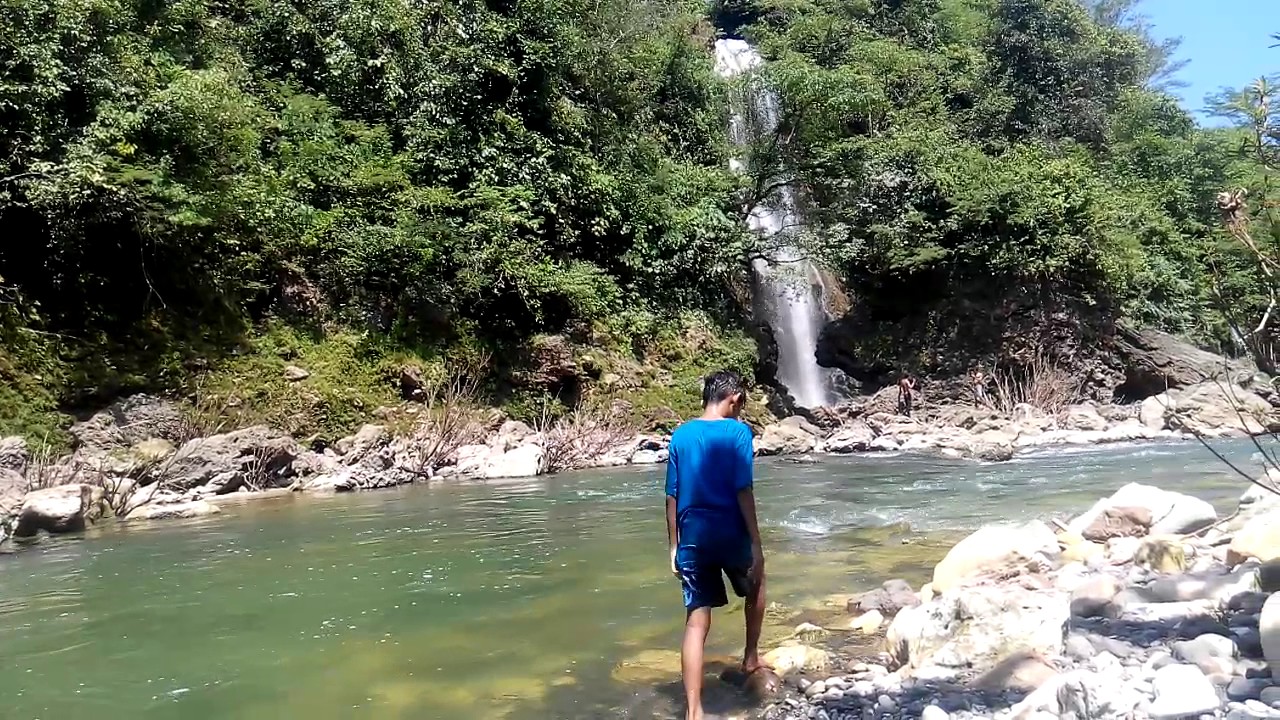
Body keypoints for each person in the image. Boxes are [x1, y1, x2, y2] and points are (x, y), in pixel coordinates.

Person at [665, 370, 767, 720]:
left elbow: (671, 497)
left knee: (696, 621)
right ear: (734, 399)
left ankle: (694, 711)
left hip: (692, 536)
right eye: (741, 405)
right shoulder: (738, 432)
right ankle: (751, 657)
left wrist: (673, 546)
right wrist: (756, 542)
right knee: (757, 583)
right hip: (729, 532)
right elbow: (743, 489)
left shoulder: (680, 435)